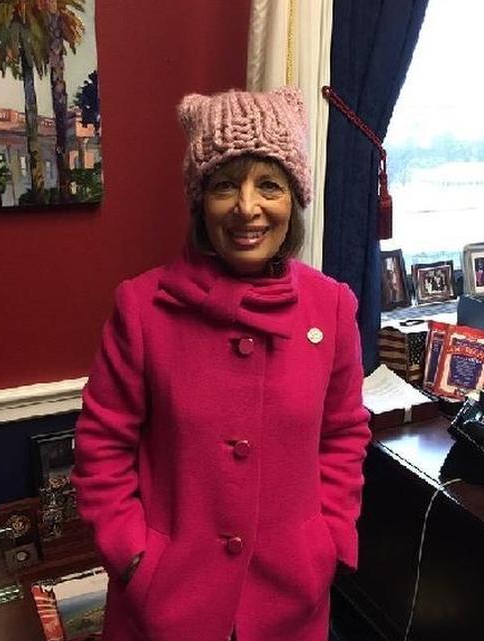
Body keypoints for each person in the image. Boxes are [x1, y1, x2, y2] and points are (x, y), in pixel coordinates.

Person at [70, 87, 371, 641]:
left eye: (269, 185)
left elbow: (343, 436)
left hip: (290, 603)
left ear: (295, 197)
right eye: (225, 185)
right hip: (164, 607)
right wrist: (134, 558)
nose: (246, 208)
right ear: (199, 201)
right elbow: (101, 449)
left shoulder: (331, 308)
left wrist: (327, 541)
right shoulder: (142, 308)